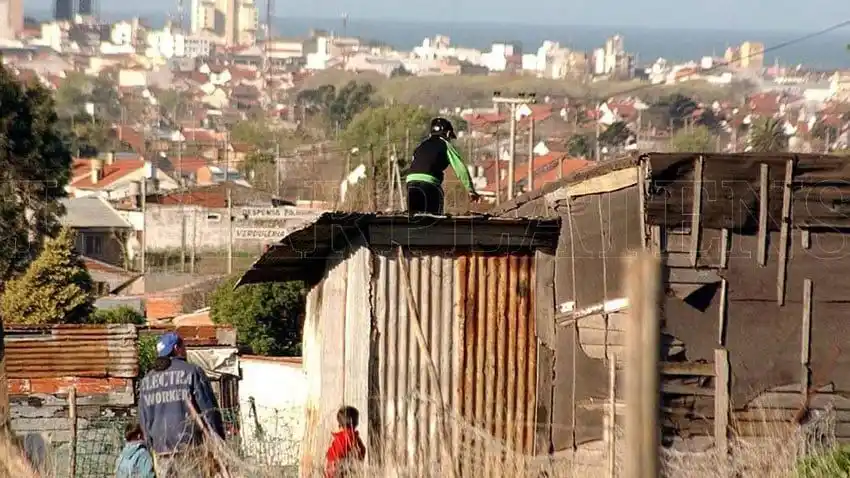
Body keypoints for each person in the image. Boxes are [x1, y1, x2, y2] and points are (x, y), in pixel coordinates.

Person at [137, 332, 225, 477]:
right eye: (184, 347)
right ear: (177, 348)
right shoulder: (192, 371)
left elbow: (143, 421)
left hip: (161, 452)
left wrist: (150, 448)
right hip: (191, 448)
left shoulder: (146, 380)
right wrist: (219, 441)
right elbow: (209, 411)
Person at [406, 117, 480, 215]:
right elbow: (460, 169)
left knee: (413, 217)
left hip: (411, 184)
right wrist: (470, 190)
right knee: (434, 219)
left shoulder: (420, 146)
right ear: (448, 133)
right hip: (429, 185)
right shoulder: (445, 145)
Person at [325, 406, 366, 478]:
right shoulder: (356, 439)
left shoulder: (342, 439)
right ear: (356, 423)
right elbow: (362, 454)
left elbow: (334, 464)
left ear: (339, 423)